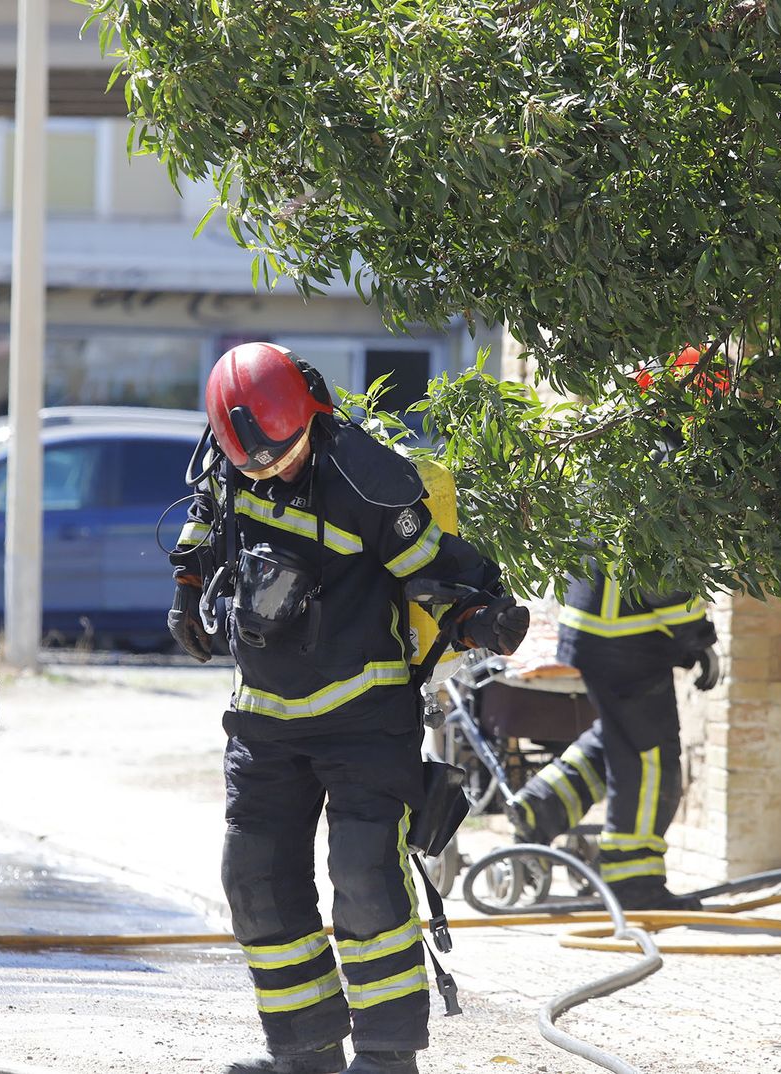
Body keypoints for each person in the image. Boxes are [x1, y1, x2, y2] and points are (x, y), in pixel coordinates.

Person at [169, 342, 529, 1074]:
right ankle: (306, 1055)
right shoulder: (226, 460)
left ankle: (389, 1058)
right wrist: (186, 587)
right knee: (256, 880)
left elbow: (431, 568)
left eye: (284, 454)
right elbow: (205, 522)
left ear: (312, 417)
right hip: (264, 722)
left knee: (366, 881)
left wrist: (481, 618)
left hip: (364, 722)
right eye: (256, 464)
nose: (272, 470)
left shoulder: (364, 479)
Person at [507, 565, 720, 911]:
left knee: (621, 739)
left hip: (598, 630)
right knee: (649, 757)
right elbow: (659, 572)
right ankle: (633, 880)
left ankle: (541, 807)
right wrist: (696, 635)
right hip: (627, 640)